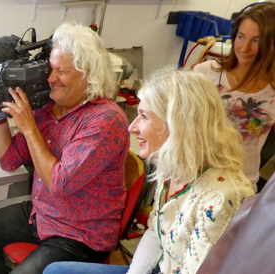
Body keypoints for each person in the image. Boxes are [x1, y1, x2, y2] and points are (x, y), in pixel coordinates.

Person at [43, 69, 255, 274]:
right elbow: (155, 232)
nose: (132, 127)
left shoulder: (222, 198)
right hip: (162, 267)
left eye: (144, 117)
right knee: (55, 270)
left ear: (178, 125)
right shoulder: (172, 168)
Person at [0, 22, 130, 274]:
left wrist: (29, 127)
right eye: (50, 70)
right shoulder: (48, 109)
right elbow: (8, 160)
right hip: (43, 215)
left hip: (81, 235)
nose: (51, 79)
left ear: (88, 72)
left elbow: (59, 183)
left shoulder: (105, 120)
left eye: (60, 72)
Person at [192, 2, 275, 192]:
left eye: (256, 40)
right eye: (241, 37)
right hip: (195, 177)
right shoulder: (205, 73)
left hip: (238, 185)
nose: (244, 47)